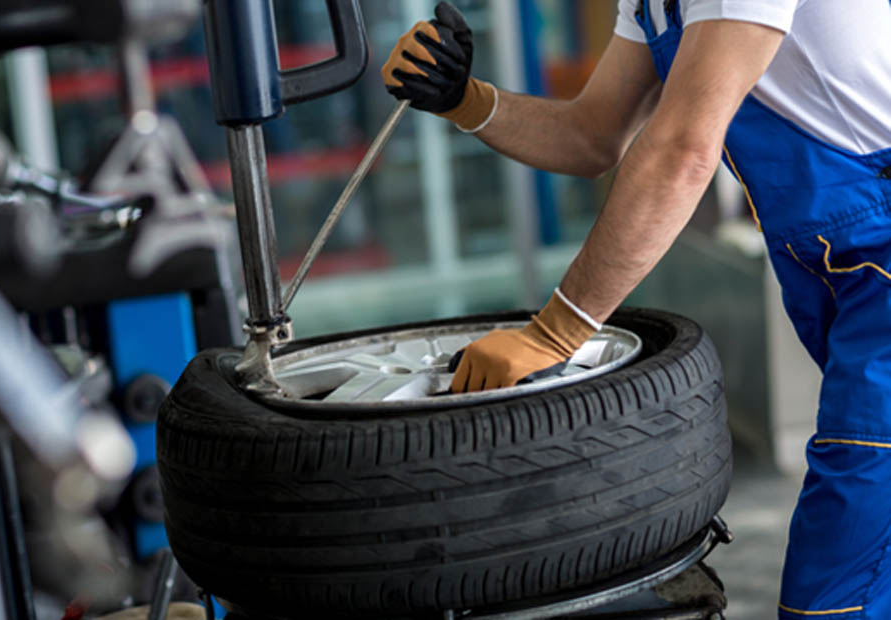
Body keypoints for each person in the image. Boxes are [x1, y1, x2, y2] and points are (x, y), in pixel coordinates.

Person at [381, 1, 891, 618]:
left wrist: (554, 332)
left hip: (875, 254)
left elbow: (683, 148)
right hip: (839, 267)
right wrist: (465, 99)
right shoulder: (649, 5)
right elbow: (592, 135)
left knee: (839, 571)